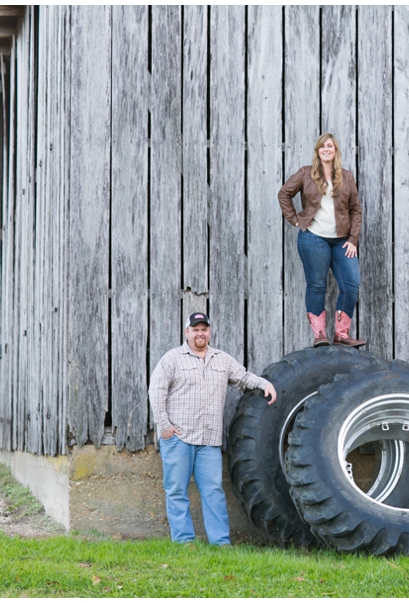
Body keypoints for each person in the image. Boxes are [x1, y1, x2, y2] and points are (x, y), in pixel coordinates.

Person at [148, 312, 276, 545]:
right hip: (179, 438)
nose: (200, 333)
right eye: (195, 329)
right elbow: (156, 392)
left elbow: (243, 378)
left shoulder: (222, 359)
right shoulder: (172, 359)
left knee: (214, 492)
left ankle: (220, 543)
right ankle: (184, 541)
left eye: (204, 329)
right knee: (177, 491)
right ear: (186, 332)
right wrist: (164, 426)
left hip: (209, 442)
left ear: (209, 332)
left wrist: (264, 383)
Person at [278, 132, 365, 348]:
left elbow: (355, 209)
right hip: (313, 238)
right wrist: (296, 221)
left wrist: (353, 239)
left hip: (341, 241)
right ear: (318, 151)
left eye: (330, 146)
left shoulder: (346, 176)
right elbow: (284, 194)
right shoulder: (306, 173)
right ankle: (320, 335)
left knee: (351, 284)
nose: (326, 149)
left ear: (335, 151)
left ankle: (341, 334)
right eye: (322, 146)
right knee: (317, 286)